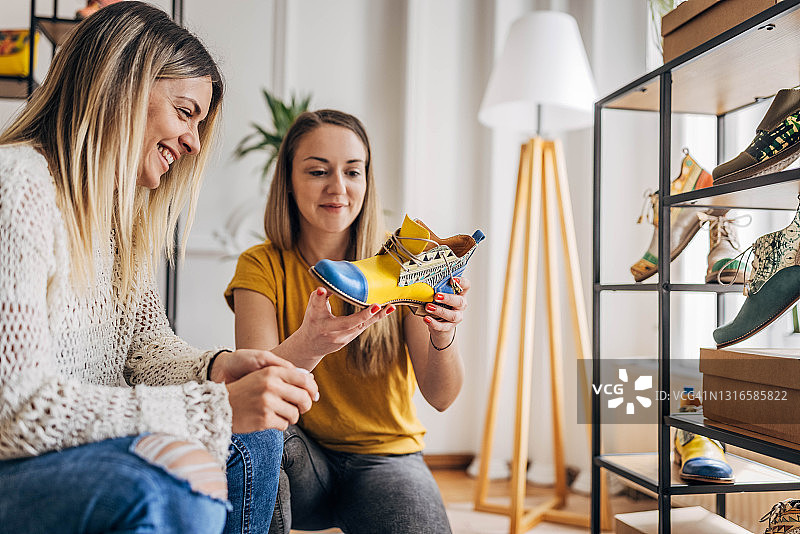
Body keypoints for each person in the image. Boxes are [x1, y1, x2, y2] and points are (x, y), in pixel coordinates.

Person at [0, 4, 389, 533]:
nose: (194, 142)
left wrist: (214, 368)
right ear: (119, 86)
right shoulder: (18, 184)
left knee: (256, 438)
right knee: (162, 491)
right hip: (19, 459)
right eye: (185, 112)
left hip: (83, 443)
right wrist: (213, 407)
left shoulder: (117, 221)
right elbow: (17, 412)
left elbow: (145, 351)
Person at [225, 109, 470, 534]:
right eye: (318, 171)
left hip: (387, 459)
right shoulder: (261, 265)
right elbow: (254, 388)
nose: (338, 187)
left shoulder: (402, 262)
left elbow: (442, 397)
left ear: (367, 181)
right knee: (254, 433)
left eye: (353, 172)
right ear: (288, 180)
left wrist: (443, 333)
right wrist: (310, 343)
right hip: (301, 458)